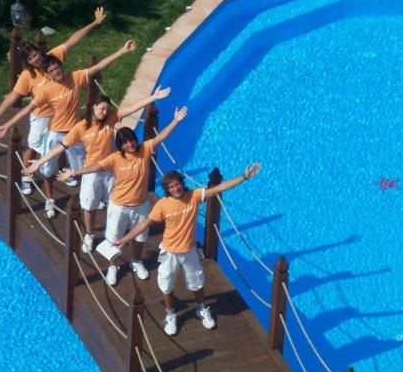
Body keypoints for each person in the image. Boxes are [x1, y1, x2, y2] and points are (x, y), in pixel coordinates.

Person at [114, 164, 262, 336]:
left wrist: (244, 177)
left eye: (177, 184)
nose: (175, 188)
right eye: (171, 186)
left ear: (182, 183)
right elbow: (144, 224)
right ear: (167, 189)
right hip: (169, 252)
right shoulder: (163, 205)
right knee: (166, 285)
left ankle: (202, 308)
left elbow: (219, 188)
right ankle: (171, 314)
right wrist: (124, 239)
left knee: (197, 282)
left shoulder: (194, 196)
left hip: (189, 251)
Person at [0, 40, 137, 218]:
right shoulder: (46, 90)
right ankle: (49, 200)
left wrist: (122, 50)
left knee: (84, 169)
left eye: (57, 68)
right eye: (51, 71)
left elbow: (99, 66)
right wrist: (6, 125)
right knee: (47, 171)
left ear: (62, 66)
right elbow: (27, 109)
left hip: (75, 134)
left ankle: (91, 196)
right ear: (48, 74)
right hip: (55, 134)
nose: (56, 72)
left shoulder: (75, 77)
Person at [24, 86, 171, 252]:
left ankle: (114, 232)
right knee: (89, 205)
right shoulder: (80, 128)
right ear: (93, 107)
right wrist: (39, 162)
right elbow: (60, 147)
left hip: (112, 169)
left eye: (107, 109)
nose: (104, 112)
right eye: (102, 108)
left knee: (114, 203)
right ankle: (89, 234)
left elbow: (132, 108)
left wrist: (154, 97)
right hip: (92, 171)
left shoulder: (111, 119)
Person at [0, 7, 107, 194]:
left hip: (62, 114)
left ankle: (64, 171)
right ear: (27, 62)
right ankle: (26, 176)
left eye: (35, 54)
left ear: (39, 52)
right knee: (34, 146)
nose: (35, 59)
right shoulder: (28, 76)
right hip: (41, 116)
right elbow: (14, 95)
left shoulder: (53, 58)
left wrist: (94, 23)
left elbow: (73, 40)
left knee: (64, 144)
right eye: (30, 58)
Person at [61, 107, 188, 286]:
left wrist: (175, 121)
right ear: (120, 145)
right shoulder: (115, 158)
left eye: (132, 140)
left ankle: (136, 261)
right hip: (119, 206)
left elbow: (161, 137)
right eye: (126, 142)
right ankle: (113, 266)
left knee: (140, 237)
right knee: (114, 238)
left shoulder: (144, 149)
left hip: (141, 205)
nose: (131, 144)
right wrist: (74, 172)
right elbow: (95, 167)